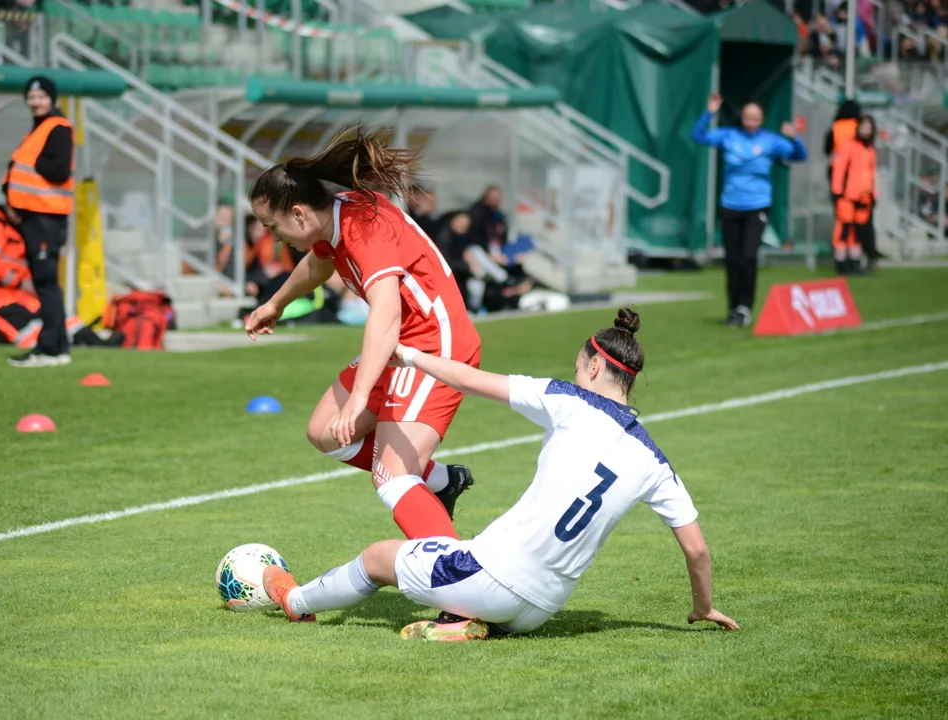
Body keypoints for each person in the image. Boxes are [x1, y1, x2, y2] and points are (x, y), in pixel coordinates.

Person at [261, 309, 740, 641]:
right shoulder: (654, 459)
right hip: (543, 609)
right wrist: (702, 606)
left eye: (578, 368)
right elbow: (696, 549)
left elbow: (471, 380)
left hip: (492, 579)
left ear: (594, 366)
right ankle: (465, 622)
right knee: (470, 578)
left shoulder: (567, 400)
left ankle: (295, 600)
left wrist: (409, 357)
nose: (574, 375)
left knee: (377, 558)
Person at [244, 126, 479, 541]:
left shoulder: (360, 229)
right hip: (401, 343)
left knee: (392, 477)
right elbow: (318, 266)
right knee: (325, 432)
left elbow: (386, 311)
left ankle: (458, 586)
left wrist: (357, 400)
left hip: (434, 343)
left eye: (272, 226)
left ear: (298, 213)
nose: (271, 236)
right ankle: (441, 482)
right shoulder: (333, 220)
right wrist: (275, 304)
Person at [692, 94, 808, 328]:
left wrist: (795, 137)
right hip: (730, 205)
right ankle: (733, 308)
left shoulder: (770, 141)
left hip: (757, 205)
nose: (750, 122)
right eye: (747, 117)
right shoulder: (729, 136)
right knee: (732, 260)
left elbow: (800, 155)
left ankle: (745, 306)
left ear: (762, 119)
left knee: (748, 256)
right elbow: (698, 135)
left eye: (755, 118)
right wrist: (710, 112)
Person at [3, 75, 75, 368]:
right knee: (46, 283)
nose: (35, 102)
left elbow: (58, 170)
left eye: (41, 97)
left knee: (46, 283)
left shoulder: (57, 128)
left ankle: (48, 348)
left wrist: (35, 164)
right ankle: (58, 348)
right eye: (31, 98)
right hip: (35, 216)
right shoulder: (40, 128)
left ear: (52, 99)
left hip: (47, 217)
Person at [832, 115, 879, 274]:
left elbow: (871, 173)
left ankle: (855, 262)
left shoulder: (870, 148)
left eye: (868, 127)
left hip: (864, 197)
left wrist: (874, 194)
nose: (865, 130)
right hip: (848, 196)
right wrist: (837, 192)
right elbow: (839, 169)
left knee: (858, 232)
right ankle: (841, 262)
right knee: (844, 230)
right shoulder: (848, 145)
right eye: (863, 127)